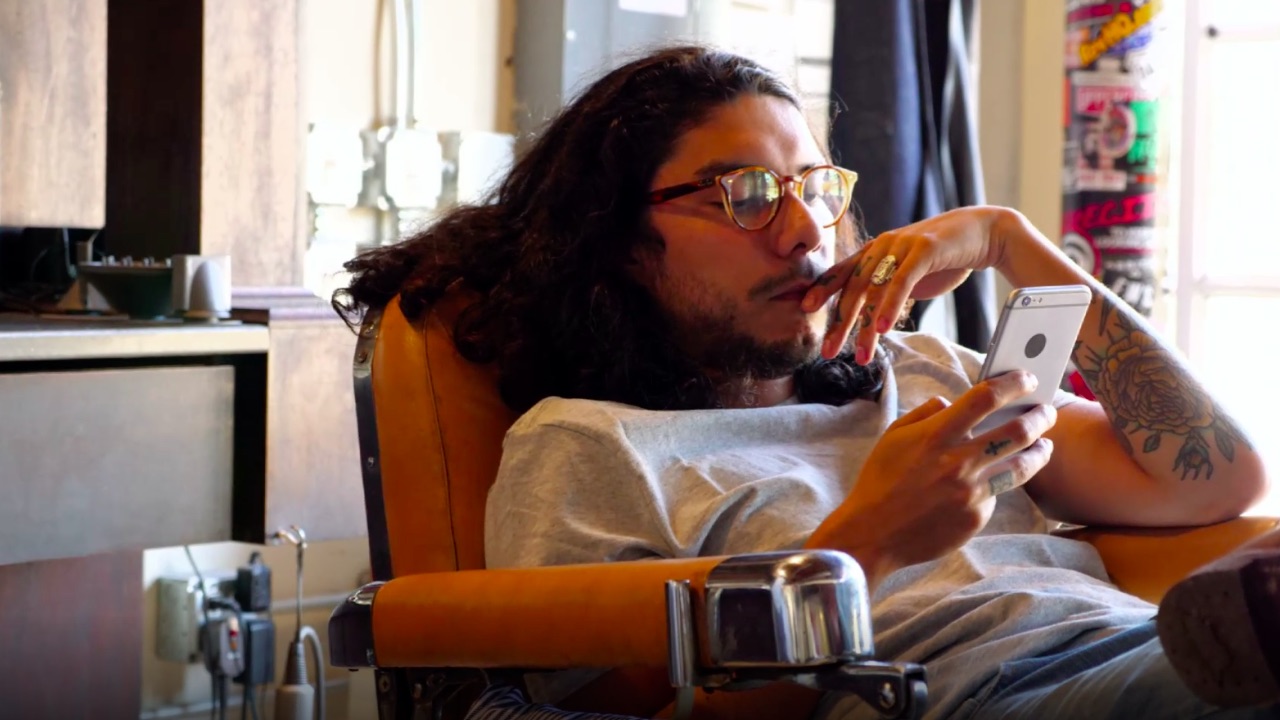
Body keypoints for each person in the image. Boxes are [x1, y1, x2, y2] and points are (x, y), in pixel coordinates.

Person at [334, 46, 1278, 720]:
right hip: (984, 692)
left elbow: (1220, 479)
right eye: (744, 195)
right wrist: (871, 540)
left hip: (1140, 638)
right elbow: (629, 712)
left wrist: (1009, 241)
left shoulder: (921, 372)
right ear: (619, 242)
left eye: (815, 188)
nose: (803, 233)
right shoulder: (586, 445)